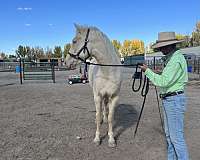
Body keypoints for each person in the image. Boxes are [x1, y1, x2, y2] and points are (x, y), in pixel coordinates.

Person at [140, 32, 189, 160]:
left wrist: (148, 72)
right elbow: (168, 76)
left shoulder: (175, 60)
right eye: (160, 47)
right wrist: (157, 72)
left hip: (173, 100)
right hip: (170, 99)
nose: (161, 49)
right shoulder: (171, 58)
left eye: (163, 47)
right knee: (169, 136)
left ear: (171, 46)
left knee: (176, 138)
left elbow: (163, 81)